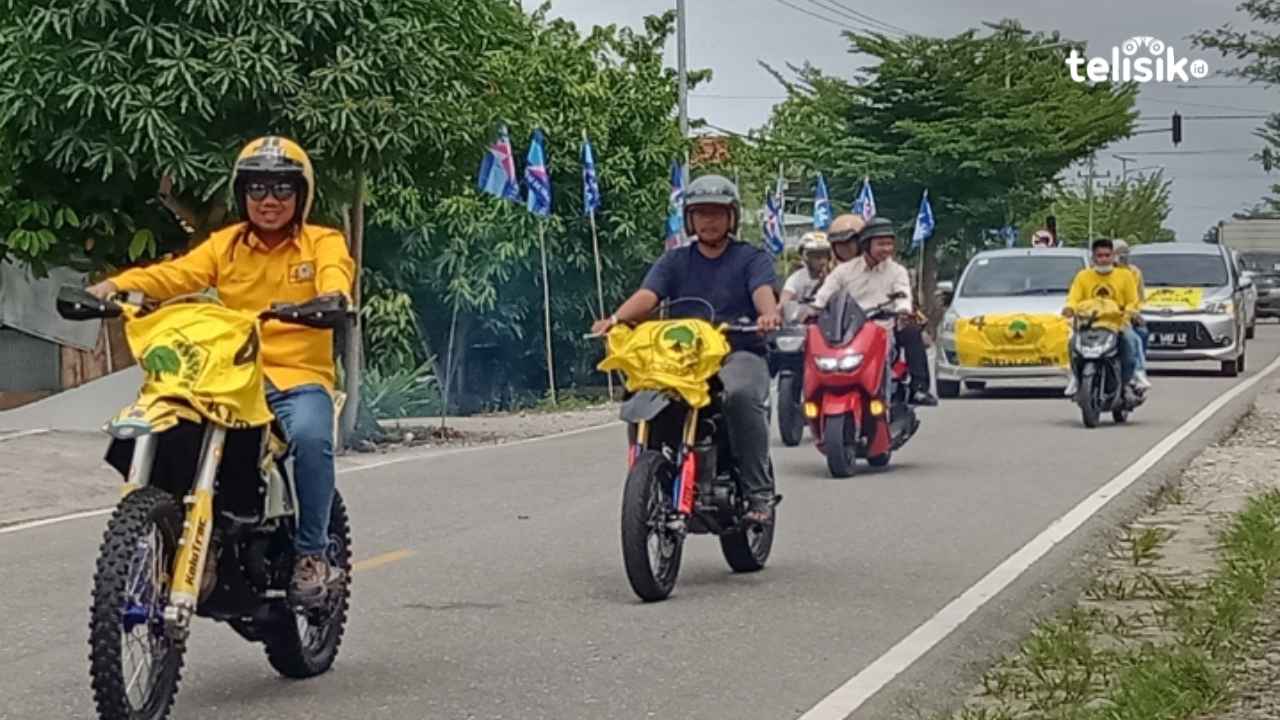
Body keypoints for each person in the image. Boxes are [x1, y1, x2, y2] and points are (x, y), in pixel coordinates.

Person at [87, 136, 354, 607]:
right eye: (256, 189)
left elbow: (336, 276)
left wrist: (331, 299)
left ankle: (311, 555)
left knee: (311, 440)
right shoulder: (225, 245)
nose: (268, 200)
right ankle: (191, 537)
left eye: (281, 189)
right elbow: (173, 276)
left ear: (301, 196)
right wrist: (112, 287)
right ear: (241, 194)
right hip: (229, 376)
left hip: (295, 379)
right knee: (173, 428)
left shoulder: (323, 242)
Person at [591, 174, 781, 524]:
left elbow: (762, 292)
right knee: (641, 393)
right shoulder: (675, 261)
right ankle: (648, 481)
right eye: (701, 212)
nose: (709, 220)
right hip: (685, 357)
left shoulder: (751, 258)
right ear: (689, 218)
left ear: (732, 217)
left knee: (738, 395)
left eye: (717, 212)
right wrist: (616, 319)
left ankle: (758, 492)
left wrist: (768, 315)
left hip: (737, 351)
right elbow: (649, 296)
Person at [809, 216, 939, 406]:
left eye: (889, 244)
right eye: (881, 244)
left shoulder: (897, 271)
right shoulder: (842, 271)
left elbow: (903, 295)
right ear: (866, 245)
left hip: (884, 327)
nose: (886, 249)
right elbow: (823, 295)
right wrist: (811, 311)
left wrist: (902, 311)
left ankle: (919, 389)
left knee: (911, 331)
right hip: (846, 329)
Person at [1062, 238, 1149, 396]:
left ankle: (1134, 376)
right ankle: (1075, 377)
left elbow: (1133, 301)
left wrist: (1129, 313)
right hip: (1089, 325)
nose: (1103, 259)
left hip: (1117, 324)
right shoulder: (1083, 276)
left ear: (1113, 256)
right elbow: (1074, 298)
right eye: (1099, 256)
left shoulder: (1126, 276)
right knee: (1071, 343)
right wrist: (1069, 308)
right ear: (1093, 258)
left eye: (1107, 255)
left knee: (1130, 341)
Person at [1114, 238, 1149, 354]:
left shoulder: (1135, 272)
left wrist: (1136, 313)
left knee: (1142, 333)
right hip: (1107, 317)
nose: (1123, 256)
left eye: (1125, 252)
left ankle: (1138, 368)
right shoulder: (1103, 272)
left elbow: (1140, 298)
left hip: (1129, 318)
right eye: (1119, 253)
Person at [780, 232, 831, 305]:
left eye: (825, 255)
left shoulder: (835, 276)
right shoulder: (796, 279)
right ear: (806, 257)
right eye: (817, 256)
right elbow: (784, 301)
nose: (822, 261)